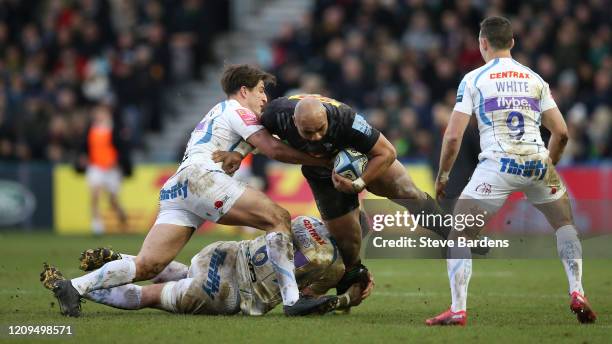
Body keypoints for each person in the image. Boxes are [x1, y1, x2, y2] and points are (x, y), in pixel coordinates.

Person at [45, 64, 338, 317]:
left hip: (179, 185)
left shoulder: (224, 114)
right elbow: (273, 148)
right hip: (201, 178)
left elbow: (254, 145)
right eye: (261, 90)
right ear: (244, 90)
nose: (265, 97)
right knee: (278, 218)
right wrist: (324, 160)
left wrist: (240, 155)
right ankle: (292, 300)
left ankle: (74, 287)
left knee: (149, 265)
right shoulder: (236, 108)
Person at [426, 16, 597, 326]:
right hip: (537, 161)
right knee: (564, 225)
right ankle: (578, 291)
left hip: (498, 166)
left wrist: (443, 176)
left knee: (459, 233)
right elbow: (561, 133)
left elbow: (452, 136)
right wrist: (549, 167)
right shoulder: (535, 79)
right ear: (513, 43)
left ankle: (458, 309)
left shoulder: (474, 79)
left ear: (483, 43)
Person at [214, 94, 463, 294]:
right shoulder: (276, 114)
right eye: (307, 133)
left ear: (326, 119)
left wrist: (360, 183)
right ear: (293, 124)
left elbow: (387, 153)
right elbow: (256, 135)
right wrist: (239, 153)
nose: (316, 137)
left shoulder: (347, 120)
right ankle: (350, 280)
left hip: (361, 157)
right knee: (348, 243)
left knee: (408, 193)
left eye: (320, 129)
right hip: (322, 172)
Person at [41, 216, 366, 316]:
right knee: (149, 296)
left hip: (223, 254)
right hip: (230, 293)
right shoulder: (333, 266)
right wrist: (348, 296)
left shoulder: (306, 219)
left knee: (160, 268)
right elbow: (309, 298)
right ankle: (73, 285)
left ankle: (121, 260)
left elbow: (284, 241)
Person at [77, 104, 130, 234]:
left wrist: (118, 161)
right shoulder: (91, 129)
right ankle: (97, 225)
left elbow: (122, 148)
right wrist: (83, 157)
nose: (99, 116)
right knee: (95, 194)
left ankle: (122, 217)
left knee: (112, 200)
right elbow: (85, 146)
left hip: (112, 168)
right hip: (95, 166)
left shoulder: (115, 129)